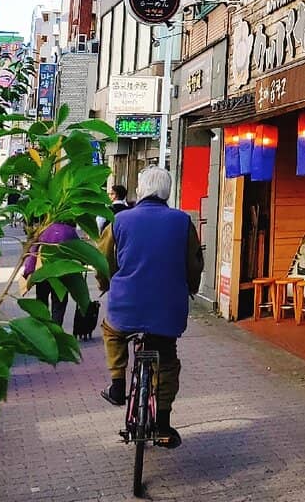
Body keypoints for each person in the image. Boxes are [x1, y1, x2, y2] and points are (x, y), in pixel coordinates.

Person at [97, 165, 203, 449]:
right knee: (166, 359)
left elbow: (103, 261)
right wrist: (190, 288)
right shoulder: (182, 222)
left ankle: (118, 384)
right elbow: (194, 265)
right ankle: (164, 424)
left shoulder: (119, 222)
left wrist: (105, 284)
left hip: (125, 306)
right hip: (168, 308)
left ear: (140, 189)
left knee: (112, 332)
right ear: (167, 191)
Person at [24, 220, 79, 328]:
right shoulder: (71, 232)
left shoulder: (43, 229)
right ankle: (56, 331)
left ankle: (41, 328)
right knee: (59, 305)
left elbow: (33, 252)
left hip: (43, 273)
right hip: (62, 275)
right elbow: (79, 252)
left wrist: (28, 272)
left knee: (41, 301)